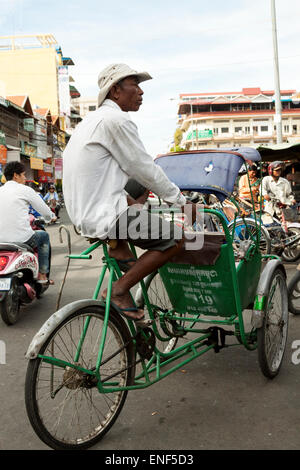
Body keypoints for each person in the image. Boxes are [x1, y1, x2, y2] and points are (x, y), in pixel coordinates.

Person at [63, 63, 198, 321]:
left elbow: (101, 180)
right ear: (115, 91)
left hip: (85, 215)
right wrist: (181, 201)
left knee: (128, 262)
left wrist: (132, 203)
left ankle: (133, 324)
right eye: (134, 85)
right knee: (176, 239)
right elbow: (144, 167)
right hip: (106, 216)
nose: (140, 91)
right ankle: (119, 290)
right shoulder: (116, 120)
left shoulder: (89, 122)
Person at [0, 161, 57, 283]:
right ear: (16, 175)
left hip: (1, 240)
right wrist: (50, 217)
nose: (25, 178)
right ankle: (42, 275)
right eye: (24, 175)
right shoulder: (25, 190)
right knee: (44, 236)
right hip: (21, 239)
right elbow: (45, 211)